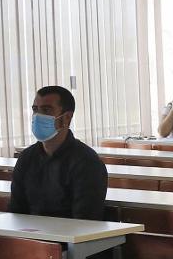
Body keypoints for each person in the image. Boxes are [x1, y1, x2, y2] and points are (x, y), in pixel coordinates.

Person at [8, 86, 108, 220]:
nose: (38, 116)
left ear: (66, 117)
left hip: (68, 238)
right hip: (30, 236)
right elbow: (16, 210)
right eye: (35, 110)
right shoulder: (26, 158)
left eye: (46, 110)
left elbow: (85, 220)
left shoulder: (87, 162)